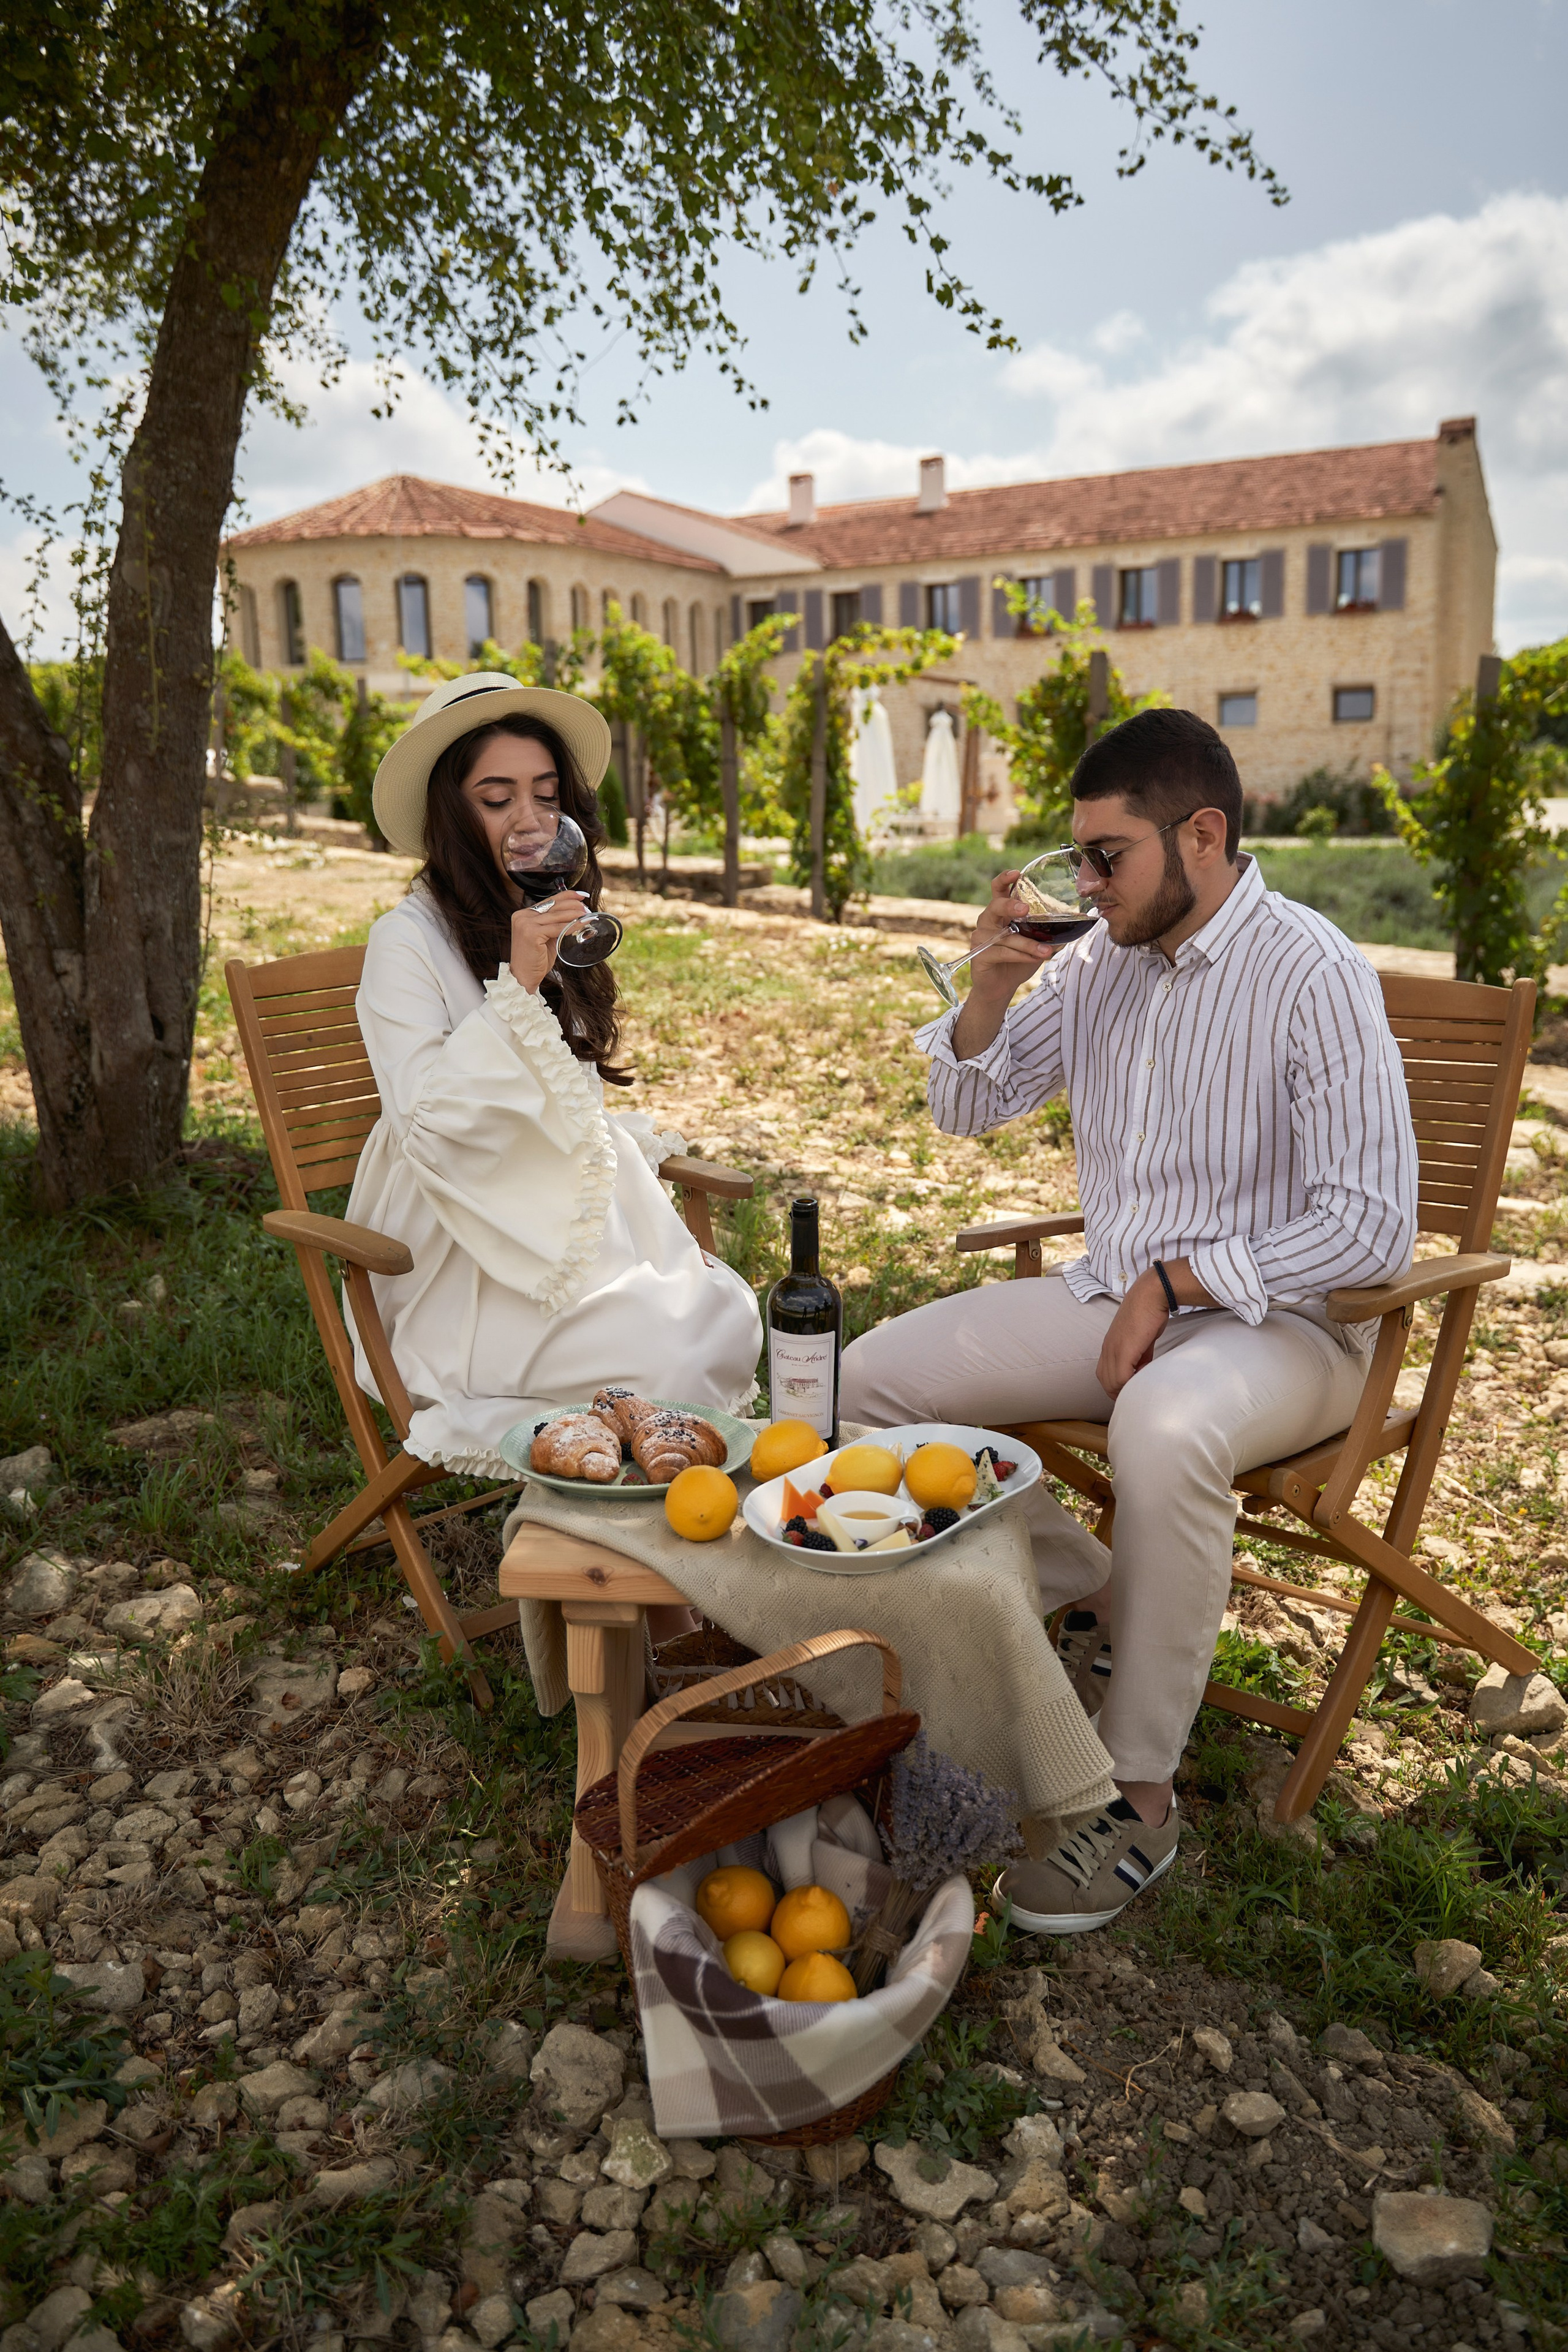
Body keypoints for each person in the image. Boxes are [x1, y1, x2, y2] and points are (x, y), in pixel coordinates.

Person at [841, 708, 1417, 1934]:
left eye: (1107, 856)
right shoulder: (1098, 957)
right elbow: (966, 1106)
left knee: (1158, 1422)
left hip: (1287, 1333)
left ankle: (1136, 1792)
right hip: (1111, 1302)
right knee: (862, 1384)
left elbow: (1367, 1228)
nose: (1084, 883)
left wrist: (1176, 1278)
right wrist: (989, 986)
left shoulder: (1310, 970)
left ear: (1199, 836)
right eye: (1077, 858)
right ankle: (1086, 1578)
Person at [345, 671, 762, 1479]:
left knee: (714, 1310)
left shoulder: (550, 911)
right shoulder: (403, 940)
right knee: (664, 1346)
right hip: (460, 1237)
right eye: (497, 798)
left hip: (561, 1200)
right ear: (452, 809)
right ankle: (636, 1559)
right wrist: (519, 984)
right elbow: (428, 1121)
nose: (530, 821)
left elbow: (570, 1092)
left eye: (545, 793)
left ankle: (647, 1551)